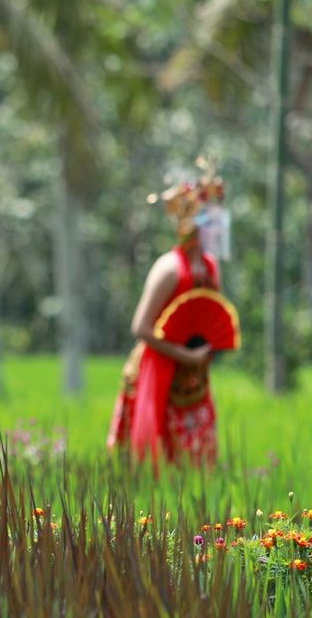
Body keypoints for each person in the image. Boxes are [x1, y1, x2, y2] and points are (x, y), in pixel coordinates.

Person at [107, 161, 228, 465]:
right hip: (159, 367)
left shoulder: (212, 268)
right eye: (209, 222)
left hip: (194, 374)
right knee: (151, 459)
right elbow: (141, 326)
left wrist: (203, 352)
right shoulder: (169, 269)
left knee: (198, 464)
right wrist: (184, 356)